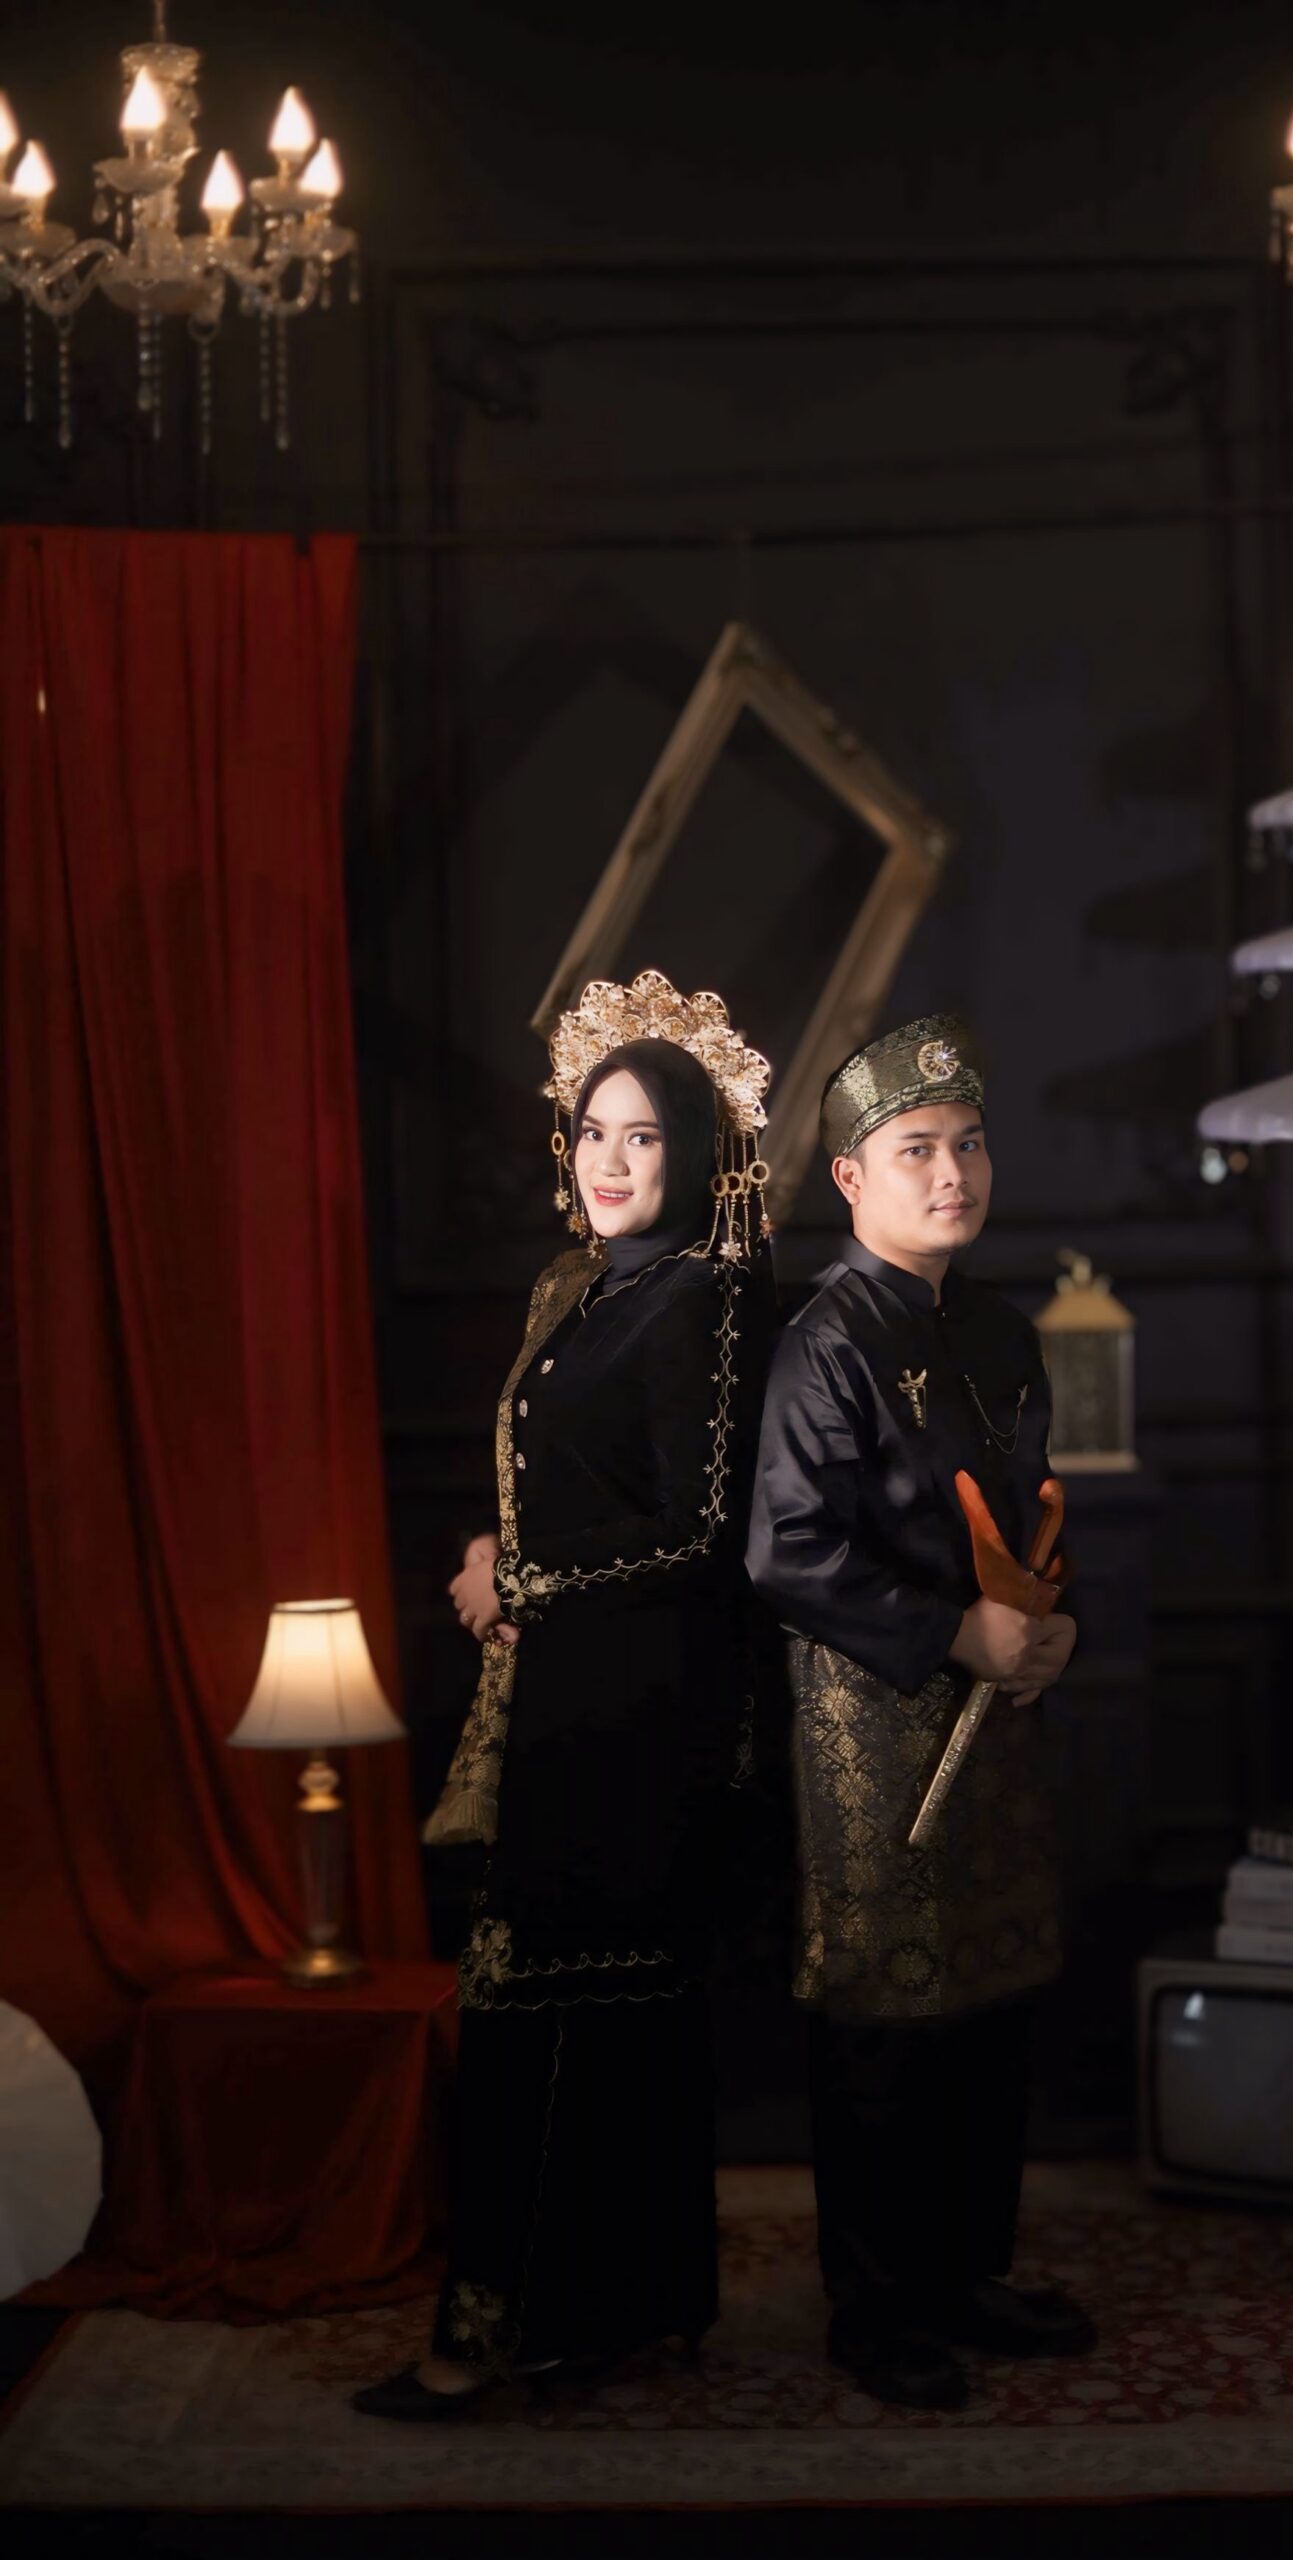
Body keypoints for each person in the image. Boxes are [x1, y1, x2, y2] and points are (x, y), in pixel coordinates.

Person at [355, 970, 776, 2420]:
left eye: (644, 1136)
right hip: (568, 1702)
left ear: (696, 1154)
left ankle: (491, 2338)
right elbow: (569, 1483)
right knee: (572, 2017)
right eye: (594, 1131)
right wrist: (500, 1550)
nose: (610, 1160)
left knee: (563, 2013)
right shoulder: (584, 1289)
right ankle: (613, 2311)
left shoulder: (710, 1298)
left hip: (642, 1722)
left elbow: (700, 1528)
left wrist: (522, 1581)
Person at [745, 1012, 1094, 2413]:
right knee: (886, 2014)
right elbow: (787, 1550)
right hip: (868, 1722)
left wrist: (1053, 1627)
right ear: (850, 1176)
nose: (953, 1173)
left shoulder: (1001, 1333)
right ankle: (878, 2307)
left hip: (998, 1710)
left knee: (991, 1997)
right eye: (917, 1150)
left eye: (970, 1144)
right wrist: (954, 1630)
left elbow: (1037, 1517)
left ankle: (968, 2272)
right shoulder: (823, 1342)